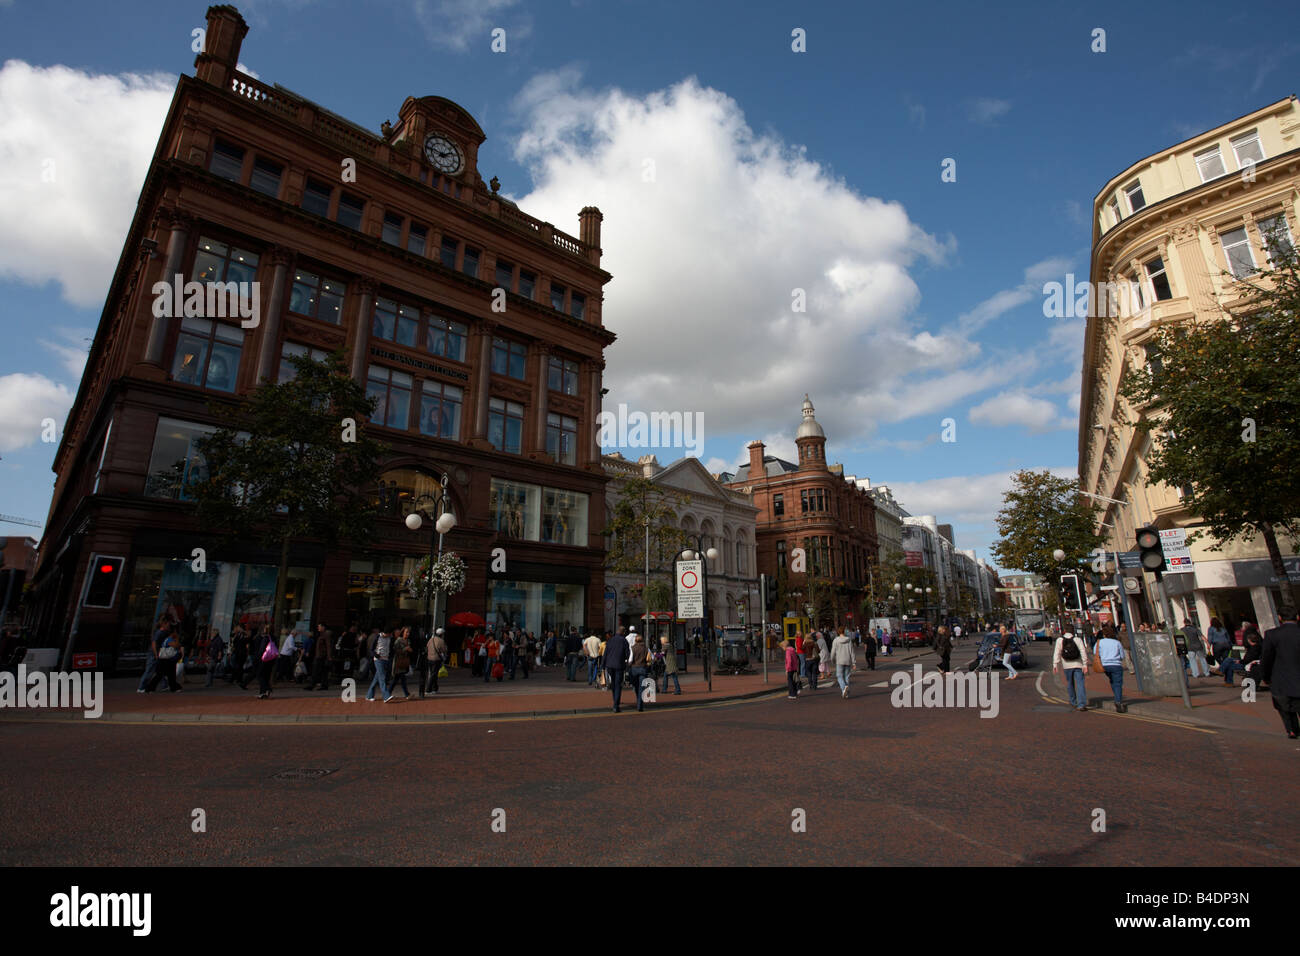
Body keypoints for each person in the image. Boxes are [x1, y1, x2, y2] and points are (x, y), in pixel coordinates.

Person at [1261, 610, 1300, 738]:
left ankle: (1292, 730)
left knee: (1284, 707)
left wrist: (1265, 676)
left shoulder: (1272, 634)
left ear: (1279, 618)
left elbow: (1266, 658)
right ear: (1298, 617)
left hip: (1280, 678)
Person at [1096, 626, 1134, 712]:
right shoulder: (1117, 643)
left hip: (1105, 665)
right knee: (1117, 683)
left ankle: (1117, 697)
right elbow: (1122, 655)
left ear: (1104, 634)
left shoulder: (1100, 642)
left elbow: (1096, 652)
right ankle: (1118, 701)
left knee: (1113, 681)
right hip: (1116, 665)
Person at [1053, 631, 1090, 711]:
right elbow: (1083, 651)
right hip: (1078, 665)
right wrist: (1085, 664)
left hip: (1067, 665)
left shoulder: (1060, 640)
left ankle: (1073, 701)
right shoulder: (1078, 639)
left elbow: (1057, 652)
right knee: (1080, 684)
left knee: (1070, 683)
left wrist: (1055, 664)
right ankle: (1081, 704)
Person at [145, 627, 183, 693]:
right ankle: (149, 688)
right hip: (166, 660)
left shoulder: (167, 639)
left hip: (167, 660)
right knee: (161, 675)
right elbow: (177, 645)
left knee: (170, 675)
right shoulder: (169, 640)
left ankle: (174, 687)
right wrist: (177, 638)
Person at [137, 618, 169, 693]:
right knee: (150, 670)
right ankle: (141, 687)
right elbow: (154, 643)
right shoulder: (159, 633)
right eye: (168, 624)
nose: (168, 626)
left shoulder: (163, 632)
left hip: (157, 653)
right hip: (154, 654)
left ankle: (165, 685)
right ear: (164, 624)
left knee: (160, 670)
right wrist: (156, 654)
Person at [604, 627, 630, 713]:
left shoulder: (610, 640)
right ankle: (616, 705)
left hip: (610, 665)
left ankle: (615, 700)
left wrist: (603, 665)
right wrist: (626, 662)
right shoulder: (624, 640)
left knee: (613, 684)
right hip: (619, 665)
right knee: (618, 685)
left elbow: (605, 653)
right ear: (623, 632)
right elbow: (627, 654)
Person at [365, 627, 394, 703]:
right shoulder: (377, 637)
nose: (390, 635)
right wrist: (375, 655)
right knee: (382, 678)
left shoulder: (389, 638)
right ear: (387, 633)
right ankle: (386, 696)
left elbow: (390, 648)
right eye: (390, 634)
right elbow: (371, 649)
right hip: (378, 660)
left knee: (376, 679)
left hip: (385, 659)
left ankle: (369, 695)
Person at [831, 628, 856, 698]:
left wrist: (832, 660)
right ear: (844, 632)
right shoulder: (848, 640)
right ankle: (846, 693)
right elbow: (852, 651)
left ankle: (843, 688)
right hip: (847, 660)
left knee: (839, 676)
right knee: (847, 676)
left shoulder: (835, 640)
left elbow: (833, 652)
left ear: (838, 632)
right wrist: (854, 662)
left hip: (839, 661)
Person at [253, 627, 277, 699]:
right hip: (271, 659)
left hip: (264, 659)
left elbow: (261, 650)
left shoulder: (265, 638)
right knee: (266, 675)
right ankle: (263, 692)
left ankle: (266, 688)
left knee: (260, 674)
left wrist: (259, 658)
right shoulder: (274, 638)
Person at [629, 633, 650, 712]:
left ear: (635, 640)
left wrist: (629, 664)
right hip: (643, 668)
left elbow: (630, 659)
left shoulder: (633, 648)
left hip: (634, 669)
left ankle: (638, 700)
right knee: (642, 687)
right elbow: (651, 657)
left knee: (636, 686)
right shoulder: (646, 648)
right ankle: (640, 704)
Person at [308, 623, 333, 691]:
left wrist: (329, 656)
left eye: (319, 626)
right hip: (320, 655)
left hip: (321, 656)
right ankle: (324, 685)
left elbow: (328, 646)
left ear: (323, 627)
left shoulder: (326, 635)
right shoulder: (322, 634)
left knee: (316, 670)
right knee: (323, 671)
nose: (318, 628)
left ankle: (312, 685)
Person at [390, 627, 412, 699]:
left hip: (404, 662)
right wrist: (405, 649)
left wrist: (410, 650)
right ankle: (407, 694)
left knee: (396, 679)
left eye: (408, 632)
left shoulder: (408, 641)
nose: (408, 634)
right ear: (403, 633)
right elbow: (395, 650)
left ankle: (388, 692)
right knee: (402, 678)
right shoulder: (398, 640)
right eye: (406, 632)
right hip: (398, 662)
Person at [425, 628, 449, 694]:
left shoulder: (431, 639)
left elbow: (427, 647)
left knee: (433, 674)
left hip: (429, 658)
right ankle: (428, 689)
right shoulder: (441, 641)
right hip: (436, 659)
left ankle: (434, 688)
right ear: (441, 634)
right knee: (433, 674)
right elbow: (444, 650)